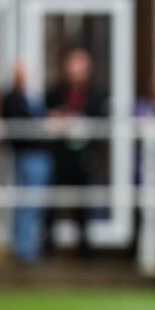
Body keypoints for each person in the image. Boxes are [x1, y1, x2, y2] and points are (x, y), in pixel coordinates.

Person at [45, 47, 109, 256]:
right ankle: (48, 245)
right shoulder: (54, 93)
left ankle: (86, 248)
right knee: (54, 199)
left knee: (84, 201)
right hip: (61, 155)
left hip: (85, 156)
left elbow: (100, 121)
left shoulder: (97, 94)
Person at [0, 61, 53, 262]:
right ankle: (23, 247)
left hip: (41, 155)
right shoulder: (11, 99)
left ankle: (29, 244)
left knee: (34, 202)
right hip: (25, 155)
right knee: (24, 202)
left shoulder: (36, 99)